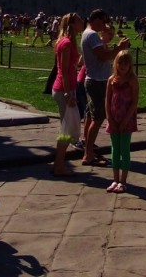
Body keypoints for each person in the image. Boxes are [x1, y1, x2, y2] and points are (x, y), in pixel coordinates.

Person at [81, 9, 129, 167]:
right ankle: (88, 155)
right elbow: (102, 57)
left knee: (90, 116)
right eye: (102, 22)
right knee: (98, 118)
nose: (104, 25)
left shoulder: (87, 33)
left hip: (93, 79)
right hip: (98, 81)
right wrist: (119, 49)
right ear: (95, 20)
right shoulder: (92, 35)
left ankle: (88, 150)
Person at [51, 13, 84, 177]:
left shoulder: (69, 42)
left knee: (68, 129)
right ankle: (59, 166)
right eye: (79, 21)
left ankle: (60, 164)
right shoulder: (66, 43)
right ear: (72, 24)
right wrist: (68, 93)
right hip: (63, 90)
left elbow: (70, 66)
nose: (83, 23)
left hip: (66, 89)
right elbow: (63, 70)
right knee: (65, 130)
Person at [105, 49, 139, 193]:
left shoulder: (132, 80)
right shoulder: (111, 80)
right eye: (120, 62)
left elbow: (134, 102)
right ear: (116, 64)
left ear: (130, 65)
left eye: (126, 63)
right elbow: (107, 100)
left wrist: (125, 120)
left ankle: (123, 181)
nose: (123, 66)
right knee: (114, 150)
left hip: (126, 119)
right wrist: (110, 119)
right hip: (114, 118)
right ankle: (115, 179)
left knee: (124, 150)